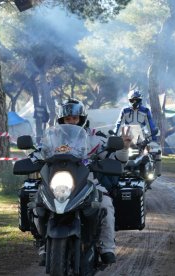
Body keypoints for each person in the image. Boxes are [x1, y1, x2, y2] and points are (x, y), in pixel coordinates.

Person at [35, 98, 131, 266]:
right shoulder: (52, 137)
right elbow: (38, 153)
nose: (71, 121)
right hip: (57, 183)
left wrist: (124, 147)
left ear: (82, 118)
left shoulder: (95, 137)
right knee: (38, 204)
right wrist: (30, 159)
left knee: (105, 204)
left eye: (75, 118)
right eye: (68, 119)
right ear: (61, 120)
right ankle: (43, 244)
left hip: (87, 182)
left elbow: (116, 159)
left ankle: (106, 247)